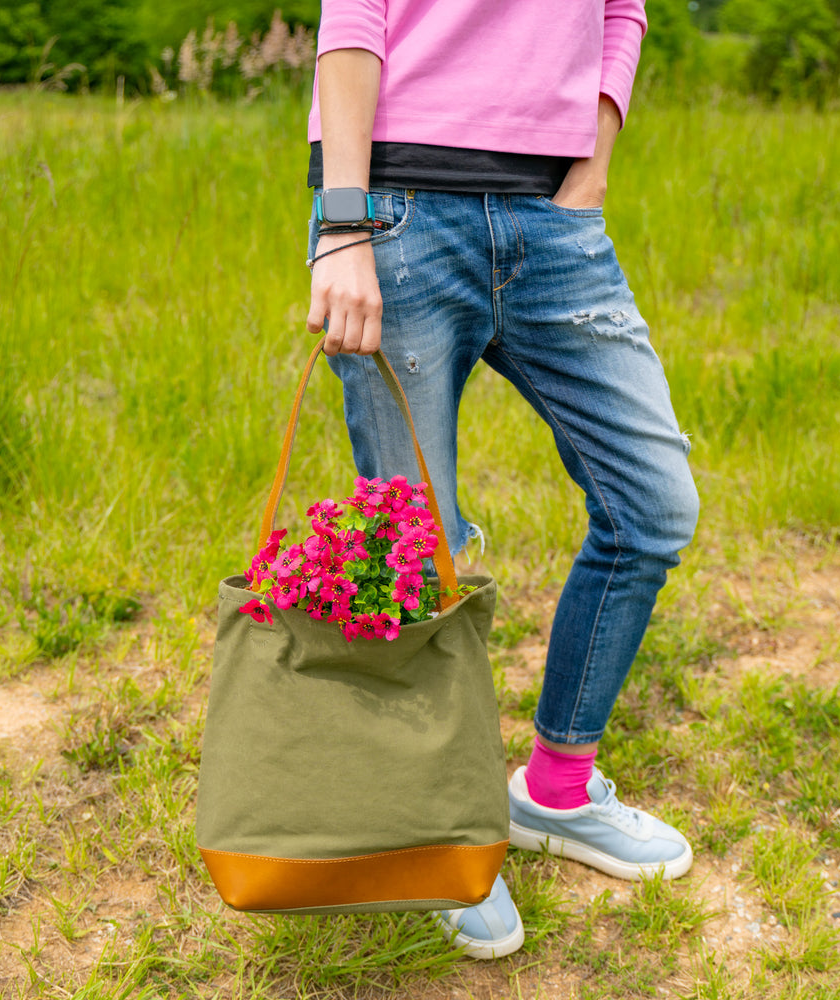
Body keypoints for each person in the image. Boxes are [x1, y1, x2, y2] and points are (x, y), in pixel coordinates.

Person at [304, 0, 699, 960]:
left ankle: (556, 792)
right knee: (415, 560)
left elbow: (621, 13)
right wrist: (344, 223)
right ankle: (439, 830)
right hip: (398, 208)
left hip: (555, 222)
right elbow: (353, 18)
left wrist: (593, 167)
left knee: (652, 506)